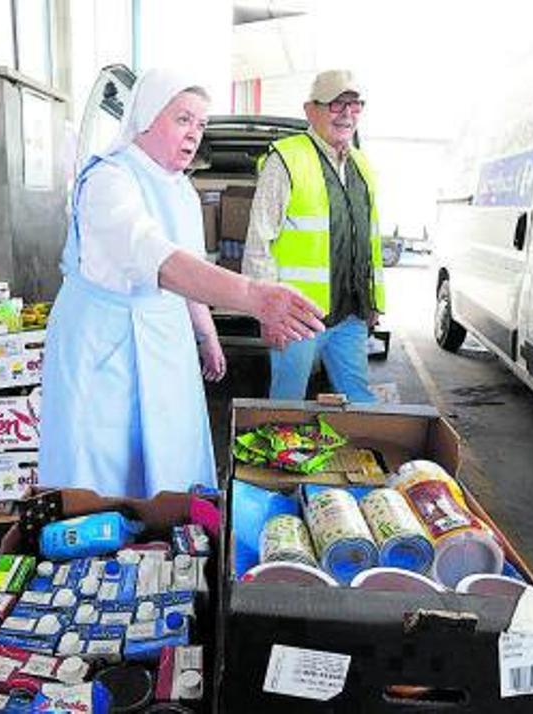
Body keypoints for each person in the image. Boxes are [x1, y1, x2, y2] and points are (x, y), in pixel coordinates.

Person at [37, 69, 325, 498]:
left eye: (201, 124)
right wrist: (252, 297)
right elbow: (157, 259)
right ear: (149, 116)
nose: (194, 134)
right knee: (102, 458)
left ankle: (167, 532)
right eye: (183, 119)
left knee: (169, 449)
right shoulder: (110, 180)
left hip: (163, 336)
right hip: (102, 343)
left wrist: (207, 336)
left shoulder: (181, 191)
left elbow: (187, 271)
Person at [243, 69, 385, 403]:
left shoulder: (363, 166)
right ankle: (280, 457)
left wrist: (374, 300)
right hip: (297, 317)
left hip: (350, 313)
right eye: (336, 104)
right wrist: (266, 310)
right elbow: (259, 240)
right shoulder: (287, 159)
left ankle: (360, 456)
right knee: (288, 404)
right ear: (311, 110)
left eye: (355, 104)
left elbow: (370, 240)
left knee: (360, 400)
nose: (347, 113)